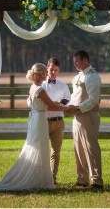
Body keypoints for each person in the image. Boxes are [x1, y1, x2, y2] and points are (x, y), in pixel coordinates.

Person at [0, 63, 69, 192]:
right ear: (40, 74)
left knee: (37, 147)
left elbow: (46, 103)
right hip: (39, 120)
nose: (47, 73)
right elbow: (50, 106)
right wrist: (67, 108)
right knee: (41, 148)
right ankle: (40, 179)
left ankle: (39, 177)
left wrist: (57, 104)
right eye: (45, 71)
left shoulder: (34, 87)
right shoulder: (40, 89)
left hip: (36, 119)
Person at [67, 50, 104, 190]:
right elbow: (75, 96)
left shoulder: (93, 76)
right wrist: (66, 106)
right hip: (77, 117)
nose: (75, 64)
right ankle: (82, 179)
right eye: (74, 62)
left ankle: (97, 181)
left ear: (85, 60)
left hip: (89, 116)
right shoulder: (77, 77)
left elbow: (94, 100)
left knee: (91, 148)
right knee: (79, 148)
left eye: (77, 61)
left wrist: (77, 108)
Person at [41, 57, 71, 185]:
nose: (53, 72)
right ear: (47, 68)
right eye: (51, 69)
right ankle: (41, 177)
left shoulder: (63, 85)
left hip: (58, 122)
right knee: (42, 151)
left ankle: (52, 178)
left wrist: (57, 104)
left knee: (56, 152)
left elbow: (68, 100)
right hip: (43, 121)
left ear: (59, 71)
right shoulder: (40, 84)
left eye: (56, 70)